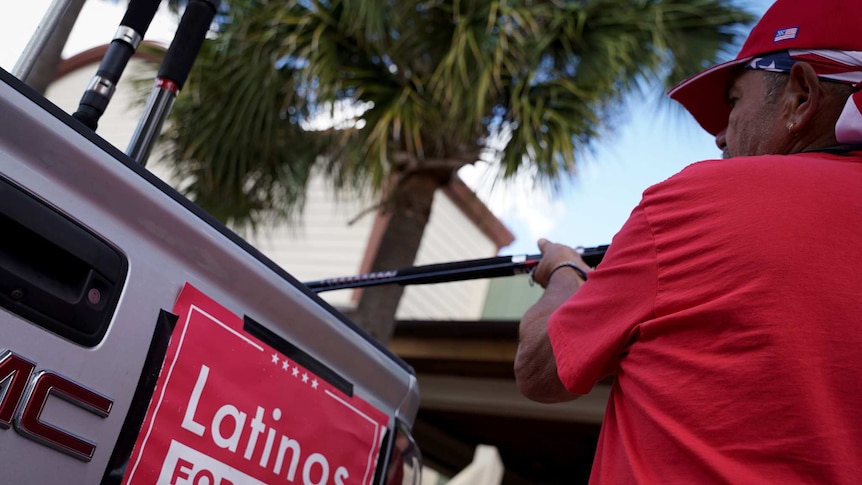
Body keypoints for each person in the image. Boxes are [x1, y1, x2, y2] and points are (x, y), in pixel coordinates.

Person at [514, 0, 862, 483]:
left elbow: (539, 369)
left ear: (801, 96)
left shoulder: (700, 200)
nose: (719, 136)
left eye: (735, 101)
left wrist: (564, 272)